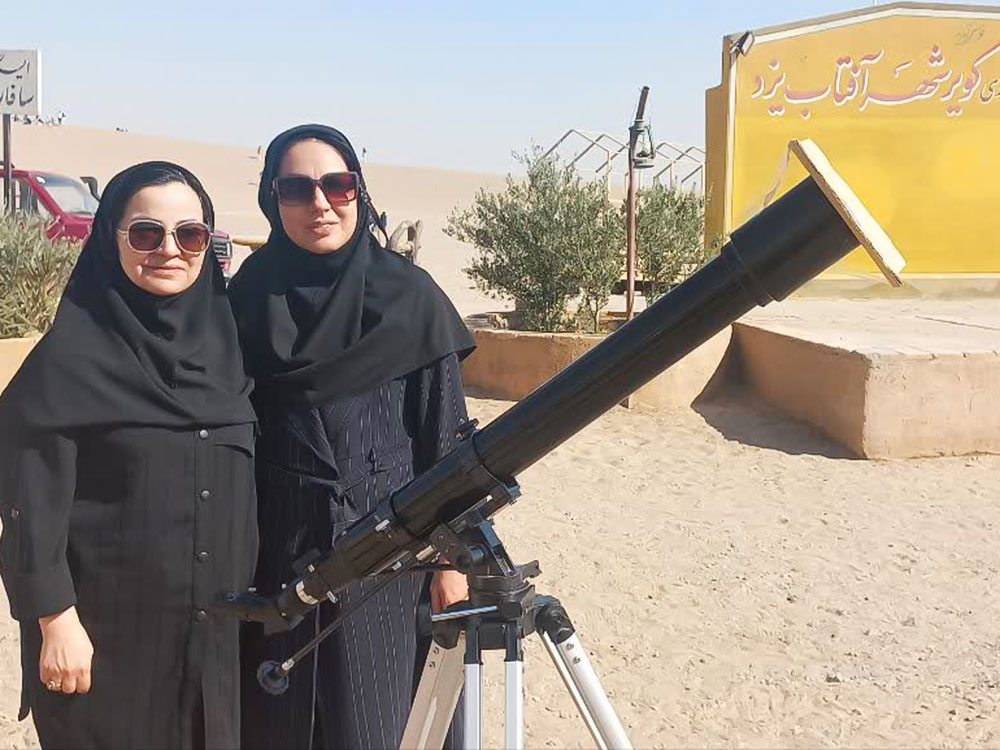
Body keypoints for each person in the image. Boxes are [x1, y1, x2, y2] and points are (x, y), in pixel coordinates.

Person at [230, 124, 474, 750]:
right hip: (278, 560)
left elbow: (447, 442)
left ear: (359, 193)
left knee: (378, 723)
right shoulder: (247, 299)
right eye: (296, 189)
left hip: (389, 566)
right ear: (272, 199)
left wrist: (452, 564)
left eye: (336, 185)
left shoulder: (410, 299)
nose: (319, 204)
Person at [0, 162, 258, 749]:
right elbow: (29, 505)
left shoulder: (231, 354)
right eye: (145, 233)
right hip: (103, 643)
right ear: (109, 239)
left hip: (211, 642)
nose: (169, 249)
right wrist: (54, 618)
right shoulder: (67, 364)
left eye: (190, 234)